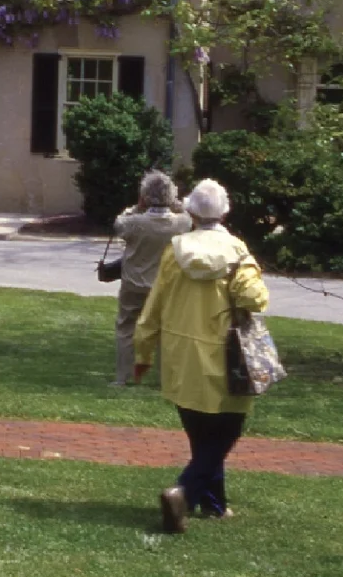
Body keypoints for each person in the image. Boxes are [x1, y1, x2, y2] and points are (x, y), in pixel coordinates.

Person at [133, 179, 270, 531]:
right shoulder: (238, 251)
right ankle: (184, 492)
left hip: (182, 356)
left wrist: (143, 351)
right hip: (228, 357)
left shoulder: (175, 249)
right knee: (224, 434)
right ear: (225, 211)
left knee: (201, 435)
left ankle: (214, 504)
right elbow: (253, 299)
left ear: (190, 211)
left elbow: (154, 306)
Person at [111, 171, 193, 387]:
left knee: (126, 327)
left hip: (134, 284)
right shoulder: (181, 223)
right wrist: (174, 203)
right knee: (167, 330)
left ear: (144, 196)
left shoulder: (133, 223)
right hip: (166, 286)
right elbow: (188, 212)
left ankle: (122, 377)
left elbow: (118, 223)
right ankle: (167, 378)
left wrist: (138, 206)